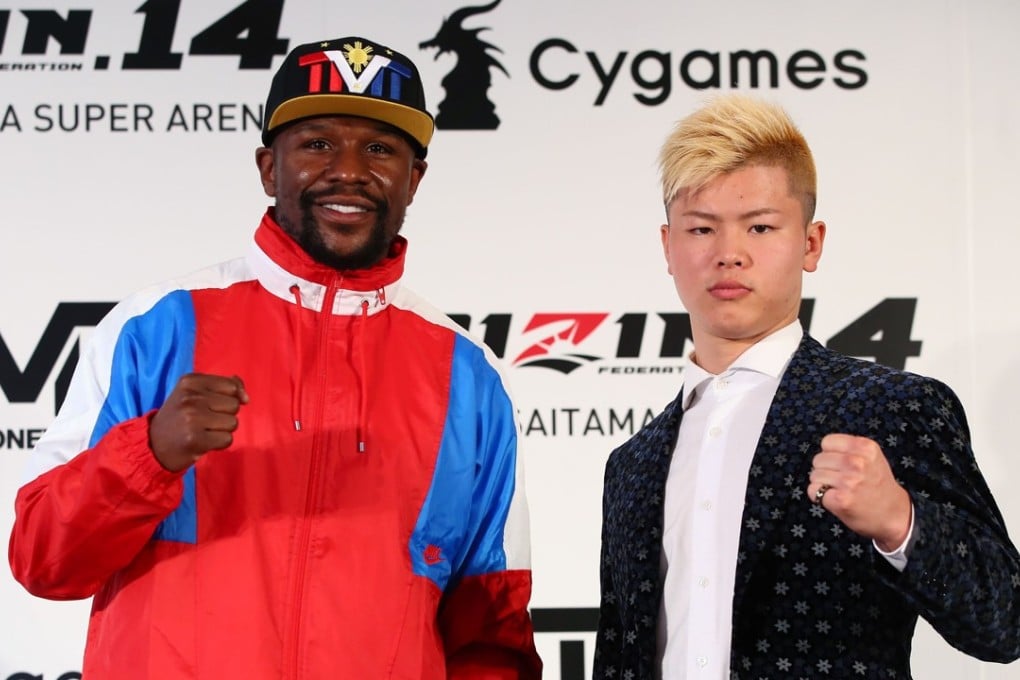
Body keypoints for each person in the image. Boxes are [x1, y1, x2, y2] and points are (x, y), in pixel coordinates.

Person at [9, 35, 542, 680]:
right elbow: (43, 561)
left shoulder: (469, 376)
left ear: (415, 178)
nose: (348, 170)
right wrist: (147, 454)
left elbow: (491, 636)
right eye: (317, 144)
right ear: (268, 168)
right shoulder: (153, 328)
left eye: (380, 148)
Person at [593, 94, 1020, 679]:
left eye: (760, 226)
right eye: (701, 228)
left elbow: (1006, 621)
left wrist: (902, 522)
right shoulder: (631, 464)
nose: (729, 254)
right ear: (669, 247)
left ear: (811, 243)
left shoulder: (890, 409)